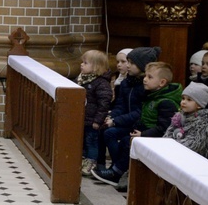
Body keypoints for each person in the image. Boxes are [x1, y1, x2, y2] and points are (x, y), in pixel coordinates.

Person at [92, 61, 182, 191]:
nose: (144, 80)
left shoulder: (166, 102)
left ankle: (116, 172)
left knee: (128, 143)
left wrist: (142, 134)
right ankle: (118, 171)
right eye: (145, 76)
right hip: (145, 131)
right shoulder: (153, 96)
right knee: (123, 141)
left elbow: (164, 128)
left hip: (156, 137)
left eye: (150, 77)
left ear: (162, 83)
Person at [93, 47, 158, 186]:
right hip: (127, 121)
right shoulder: (125, 83)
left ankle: (117, 170)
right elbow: (120, 106)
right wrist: (112, 118)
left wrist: (116, 121)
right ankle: (106, 167)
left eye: (131, 62)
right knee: (104, 129)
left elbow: (139, 112)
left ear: (142, 66)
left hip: (138, 124)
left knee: (112, 134)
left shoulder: (145, 86)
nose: (127, 65)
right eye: (126, 62)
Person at [77, 50, 113, 177]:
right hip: (83, 118)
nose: (82, 65)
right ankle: (81, 160)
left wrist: (98, 120)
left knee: (91, 142)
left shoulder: (101, 83)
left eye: (85, 63)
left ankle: (90, 163)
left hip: (93, 120)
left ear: (96, 67)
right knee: (82, 141)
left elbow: (104, 104)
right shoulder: (83, 79)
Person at [163, 82, 208, 158]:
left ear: (199, 105)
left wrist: (173, 148)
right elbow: (169, 132)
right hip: (173, 150)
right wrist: (165, 145)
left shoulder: (204, 122)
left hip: (190, 157)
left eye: (189, 100)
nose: (183, 102)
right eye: (183, 98)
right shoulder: (179, 116)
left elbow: (194, 144)